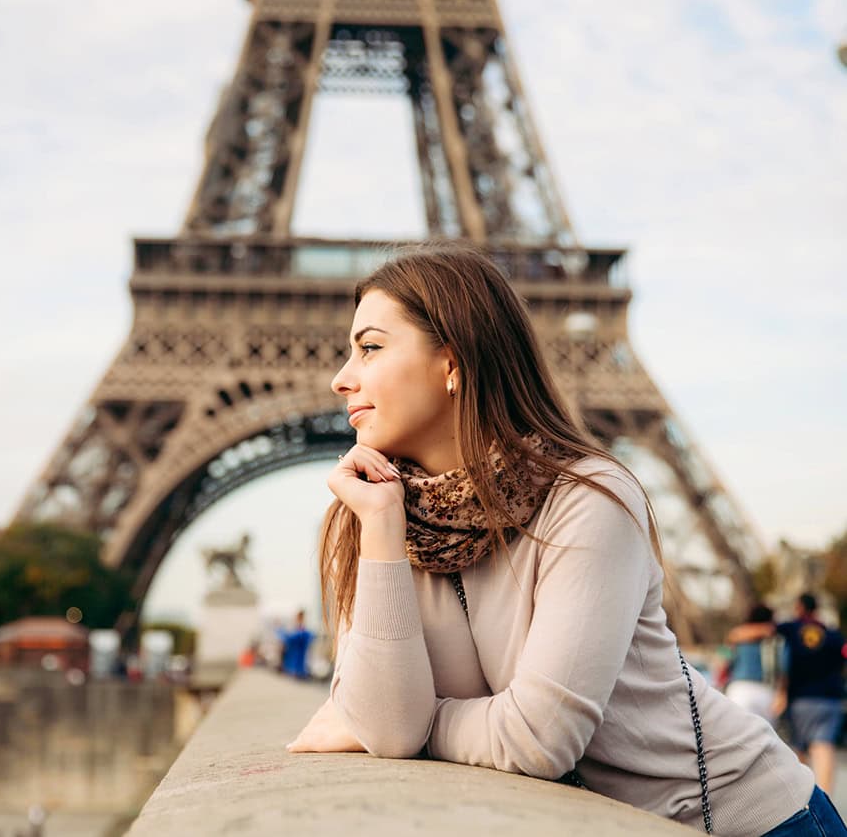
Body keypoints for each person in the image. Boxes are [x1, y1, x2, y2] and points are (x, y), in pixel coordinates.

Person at [286, 242, 844, 836]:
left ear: (453, 364)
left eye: (370, 347)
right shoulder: (371, 515)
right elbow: (390, 729)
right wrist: (381, 529)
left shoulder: (590, 498)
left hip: (752, 822)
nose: (341, 378)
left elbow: (537, 740)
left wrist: (422, 722)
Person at [776, 593, 846, 796]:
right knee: (823, 747)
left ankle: (803, 799)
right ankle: (826, 799)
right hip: (829, 698)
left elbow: (771, 637)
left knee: (799, 747)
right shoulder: (832, 633)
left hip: (801, 698)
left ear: (799, 607)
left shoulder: (791, 628)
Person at [723, 603, 780, 723]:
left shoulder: (737, 636)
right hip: (765, 690)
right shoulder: (775, 638)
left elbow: (724, 659)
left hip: (738, 689)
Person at [278, 610, 314, 679]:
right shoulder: (297, 627)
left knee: (298, 662)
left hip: (299, 651)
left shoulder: (302, 629)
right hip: (296, 651)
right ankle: (297, 672)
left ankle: (298, 673)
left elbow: (292, 636)